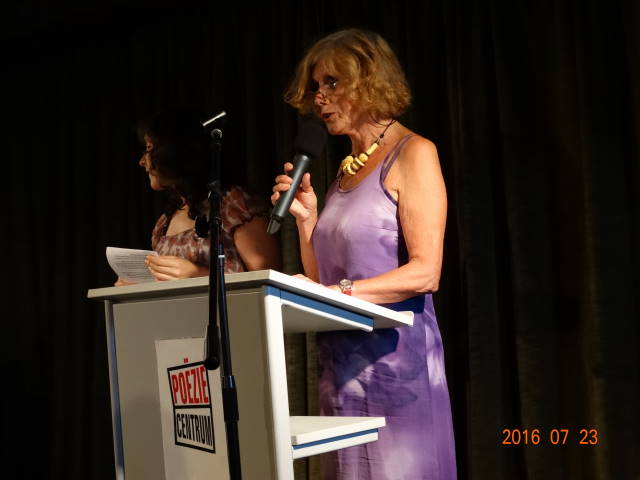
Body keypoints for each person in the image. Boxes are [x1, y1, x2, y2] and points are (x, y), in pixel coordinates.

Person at [272, 29, 456, 479]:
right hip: (341, 378)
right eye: (316, 86)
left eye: (332, 82)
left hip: (397, 374)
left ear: (370, 81)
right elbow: (325, 280)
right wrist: (307, 221)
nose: (319, 96)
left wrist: (339, 292)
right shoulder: (344, 173)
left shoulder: (414, 153)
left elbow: (426, 273)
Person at [116, 109, 281, 285]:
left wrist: (196, 274)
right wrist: (139, 285)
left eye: (149, 148)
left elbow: (267, 281)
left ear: (176, 150)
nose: (142, 161)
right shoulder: (163, 224)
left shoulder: (235, 205)